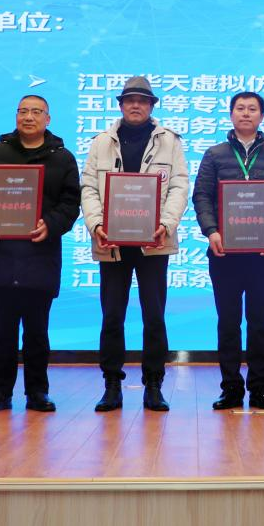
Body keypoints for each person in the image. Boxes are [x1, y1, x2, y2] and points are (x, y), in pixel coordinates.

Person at [0, 94, 81, 413]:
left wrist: (51, 225)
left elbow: (71, 203)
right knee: (2, 331)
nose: (29, 117)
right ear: (16, 116)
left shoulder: (62, 158)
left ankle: (37, 392)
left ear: (48, 118)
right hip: (1, 253)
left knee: (37, 331)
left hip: (40, 255)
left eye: (36, 112)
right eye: (23, 111)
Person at [80, 76, 189, 412]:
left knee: (154, 316)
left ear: (152, 105)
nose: (136, 105)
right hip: (111, 242)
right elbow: (89, 187)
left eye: (143, 100)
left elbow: (179, 186)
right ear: (121, 105)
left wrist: (165, 224)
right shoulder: (102, 142)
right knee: (112, 316)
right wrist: (96, 224)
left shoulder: (169, 142)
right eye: (130, 100)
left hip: (154, 242)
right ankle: (112, 385)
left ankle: (153, 385)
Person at [192, 91, 264, 411]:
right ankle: (231, 389)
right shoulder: (214, 154)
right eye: (240, 108)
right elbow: (202, 196)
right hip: (224, 253)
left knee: (259, 323)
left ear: (261, 116)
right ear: (231, 114)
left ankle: (260, 389)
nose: (246, 113)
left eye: (252, 109)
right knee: (228, 322)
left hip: (263, 255)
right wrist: (212, 231)